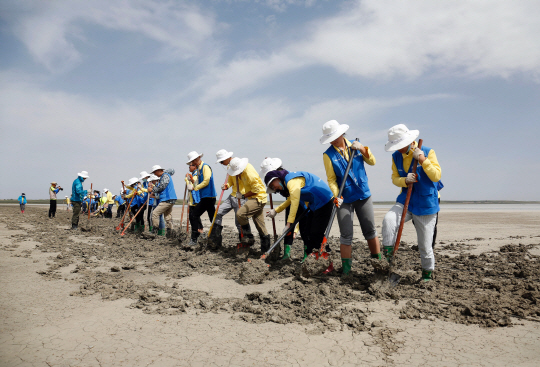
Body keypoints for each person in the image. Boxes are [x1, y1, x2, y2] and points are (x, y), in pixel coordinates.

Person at [381, 124, 443, 282]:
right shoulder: (396, 157)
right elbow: (394, 178)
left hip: (425, 202)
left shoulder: (428, 151)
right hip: (405, 200)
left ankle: (427, 275)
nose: (398, 149)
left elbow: (436, 176)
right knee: (388, 220)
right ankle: (388, 262)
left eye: (400, 146)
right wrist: (404, 180)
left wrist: (422, 160)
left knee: (425, 245)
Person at [320, 120, 382, 275]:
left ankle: (378, 264)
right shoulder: (328, 155)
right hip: (344, 198)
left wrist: (362, 148)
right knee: (346, 234)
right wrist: (336, 195)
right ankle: (346, 271)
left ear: (342, 133)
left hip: (363, 194)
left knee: (370, 230)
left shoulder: (356, 146)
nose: (334, 140)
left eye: (336, 136)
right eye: (331, 138)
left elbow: (372, 161)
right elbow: (331, 179)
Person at [265, 170, 334, 267]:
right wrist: (276, 210)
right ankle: (310, 260)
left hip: (324, 201)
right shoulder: (287, 184)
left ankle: (327, 260)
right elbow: (290, 199)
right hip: (314, 204)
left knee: (316, 233)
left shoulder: (291, 181)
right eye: (272, 188)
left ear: (277, 178)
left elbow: (295, 202)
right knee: (307, 232)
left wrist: (289, 223)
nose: (274, 188)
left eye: (272, 185)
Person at [210, 149, 251, 249]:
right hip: (232, 196)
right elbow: (231, 181)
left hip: (241, 197)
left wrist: (244, 194)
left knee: (239, 221)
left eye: (221, 161)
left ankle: (244, 242)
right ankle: (215, 239)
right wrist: (227, 185)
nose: (221, 163)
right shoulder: (229, 167)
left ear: (227, 158)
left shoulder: (240, 165)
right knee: (218, 212)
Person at [227, 157, 270, 252]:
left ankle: (248, 237)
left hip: (258, 198)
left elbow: (256, 190)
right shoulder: (242, 171)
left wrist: (243, 196)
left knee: (240, 214)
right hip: (253, 198)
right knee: (260, 224)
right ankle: (265, 251)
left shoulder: (249, 173)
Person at [260, 157, 299, 259]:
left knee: (304, 227)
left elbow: (294, 198)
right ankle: (287, 254)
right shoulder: (276, 183)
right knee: (288, 229)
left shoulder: (287, 178)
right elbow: (290, 199)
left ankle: (307, 254)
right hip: (290, 201)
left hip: (301, 200)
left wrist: (277, 210)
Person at [186, 151, 217, 244]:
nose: (192, 164)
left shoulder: (205, 167)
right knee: (212, 217)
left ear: (197, 159)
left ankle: (194, 238)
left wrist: (195, 188)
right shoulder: (199, 169)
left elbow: (206, 181)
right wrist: (192, 182)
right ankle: (215, 238)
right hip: (205, 197)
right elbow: (199, 182)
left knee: (194, 215)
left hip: (209, 197)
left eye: (193, 162)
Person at [148, 165, 177, 237]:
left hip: (166, 199)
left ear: (159, 170)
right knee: (167, 216)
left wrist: (152, 190)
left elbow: (162, 187)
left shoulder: (165, 176)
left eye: (155, 172)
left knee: (155, 213)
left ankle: (154, 230)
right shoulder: (165, 176)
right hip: (170, 198)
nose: (155, 174)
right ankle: (170, 233)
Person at [186, 165, 203, 245]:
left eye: (190, 166)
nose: (189, 167)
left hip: (196, 200)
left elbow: (193, 185)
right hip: (193, 201)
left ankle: (194, 238)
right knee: (194, 219)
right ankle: (198, 235)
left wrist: (187, 179)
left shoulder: (196, 175)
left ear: (194, 166)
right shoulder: (193, 174)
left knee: (194, 220)